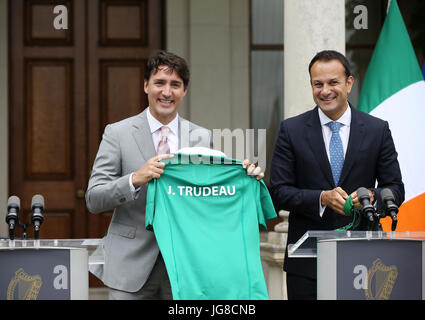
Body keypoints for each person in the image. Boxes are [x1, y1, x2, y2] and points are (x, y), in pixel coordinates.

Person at [86, 50, 263, 300]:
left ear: (184, 91)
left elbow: (209, 197)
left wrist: (242, 178)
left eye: (175, 85)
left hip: (186, 266)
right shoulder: (117, 133)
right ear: (146, 85)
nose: (167, 92)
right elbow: (94, 199)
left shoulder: (201, 137)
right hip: (129, 265)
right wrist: (134, 179)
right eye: (159, 83)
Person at [270, 50, 405, 300]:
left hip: (365, 260)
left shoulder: (377, 130)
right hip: (307, 266)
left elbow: (395, 188)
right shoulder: (291, 130)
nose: (325, 91)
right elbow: (278, 191)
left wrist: (372, 198)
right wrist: (321, 198)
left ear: (349, 83)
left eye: (333, 82)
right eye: (317, 84)